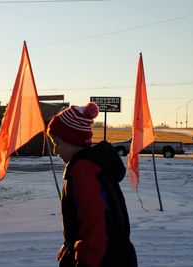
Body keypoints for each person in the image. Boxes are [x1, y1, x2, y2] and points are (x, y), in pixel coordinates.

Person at [47, 102, 138, 267]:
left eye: (57, 143)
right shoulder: (90, 165)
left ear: (71, 140)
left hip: (104, 260)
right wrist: (70, 246)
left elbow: (94, 221)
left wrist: (86, 260)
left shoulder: (83, 169)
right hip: (113, 256)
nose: (55, 151)